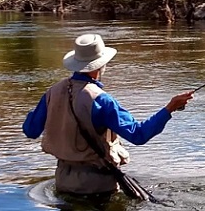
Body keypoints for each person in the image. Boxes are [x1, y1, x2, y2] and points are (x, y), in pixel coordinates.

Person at [23, 32, 193, 196]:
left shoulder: (52, 93)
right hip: (97, 186)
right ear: (101, 65)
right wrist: (169, 108)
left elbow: (30, 130)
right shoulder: (100, 100)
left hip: (63, 181)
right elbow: (138, 135)